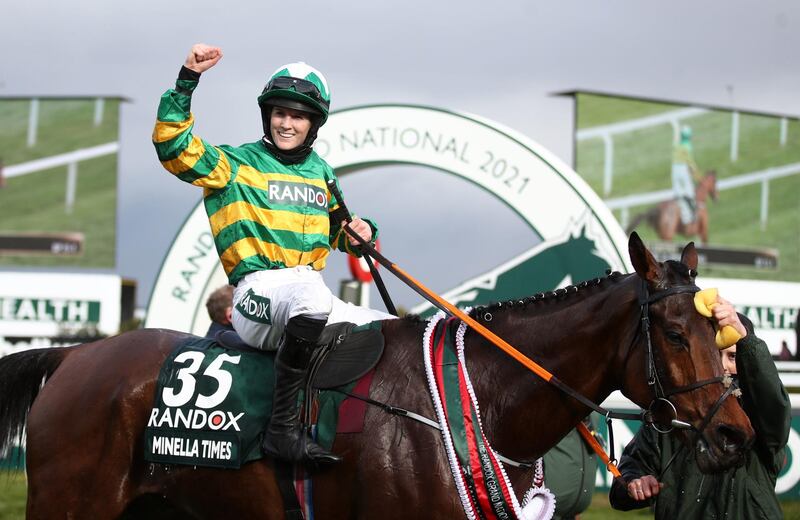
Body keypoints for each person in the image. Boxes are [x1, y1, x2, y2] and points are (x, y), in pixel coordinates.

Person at [153, 44, 394, 465]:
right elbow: (173, 147)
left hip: (309, 293)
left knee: (393, 331)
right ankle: (281, 431)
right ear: (268, 115)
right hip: (255, 296)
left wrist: (364, 230)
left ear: (313, 123)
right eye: (279, 113)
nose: (286, 123)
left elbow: (339, 232)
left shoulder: (322, 172)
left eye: (297, 115)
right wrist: (186, 80)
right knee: (310, 299)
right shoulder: (234, 164)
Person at [609, 296, 791, 519]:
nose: (723, 365)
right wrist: (634, 483)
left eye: (733, 356)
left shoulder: (759, 415)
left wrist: (746, 340)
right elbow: (624, 482)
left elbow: (774, 409)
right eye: (715, 354)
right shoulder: (669, 416)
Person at [671, 125, 704, 226]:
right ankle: (690, 216)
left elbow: (675, 139)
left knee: (678, 193)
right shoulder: (688, 146)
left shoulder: (677, 145)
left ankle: (684, 214)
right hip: (683, 168)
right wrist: (697, 174)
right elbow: (690, 162)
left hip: (674, 169)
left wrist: (676, 128)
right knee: (689, 192)